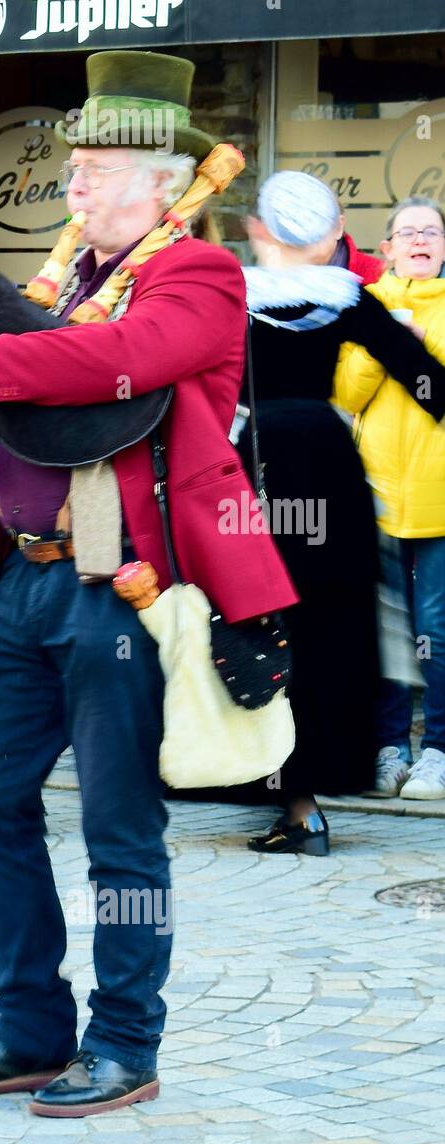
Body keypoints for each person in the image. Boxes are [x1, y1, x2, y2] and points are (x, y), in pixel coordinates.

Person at [0, 50, 298, 1116]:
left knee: (119, 828)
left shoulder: (197, 276)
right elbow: (24, 423)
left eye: (102, 167)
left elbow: (112, 365)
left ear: (164, 185)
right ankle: (28, 1026)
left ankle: (124, 1042)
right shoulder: (68, 282)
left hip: (125, 590)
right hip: (20, 583)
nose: (75, 183)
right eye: (78, 167)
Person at [232, 173, 445, 854]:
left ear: (261, 230)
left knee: (255, 626)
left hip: (256, 463)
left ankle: (284, 796)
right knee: (326, 629)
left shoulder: (233, 299)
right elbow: (428, 382)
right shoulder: (350, 297)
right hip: (327, 465)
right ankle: (308, 799)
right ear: (328, 234)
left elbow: (200, 386)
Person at [337, 196, 445, 800]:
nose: (421, 240)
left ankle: (438, 753)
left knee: (437, 629)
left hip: (440, 498)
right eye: (409, 233)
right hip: (376, 497)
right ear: (390, 249)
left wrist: (418, 344)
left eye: (431, 231)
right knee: (387, 632)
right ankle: (388, 749)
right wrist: (387, 342)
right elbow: (348, 393)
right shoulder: (368, 306)